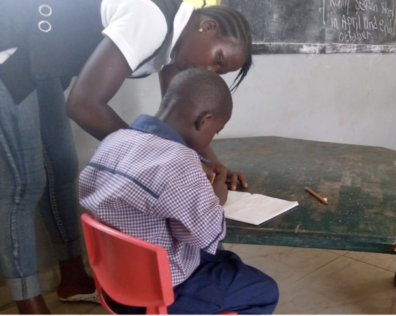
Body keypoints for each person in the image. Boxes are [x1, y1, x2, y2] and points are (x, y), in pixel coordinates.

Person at [0, 0, 252, 313]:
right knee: (24, 185)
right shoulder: (151, 19)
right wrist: (148, 158)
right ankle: (28, 303)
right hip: (9, 53)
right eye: (217, 59)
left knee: (62, 170)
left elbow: (179, 118)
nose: (210, 71)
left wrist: (212, 163)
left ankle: (73, 279)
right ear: (208, 26)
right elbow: (83, 105)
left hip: (43, 60)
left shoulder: (178, 49)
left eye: (219, 71)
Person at [79, 68, 279, 314]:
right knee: (265, 291)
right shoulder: (180, 162)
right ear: (203, 121)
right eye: (215, 131)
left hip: (115, 283)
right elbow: (206, 236)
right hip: (161, 294)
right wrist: (216, 197)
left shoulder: (114, 141)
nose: (211, 139)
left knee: (228, 263)